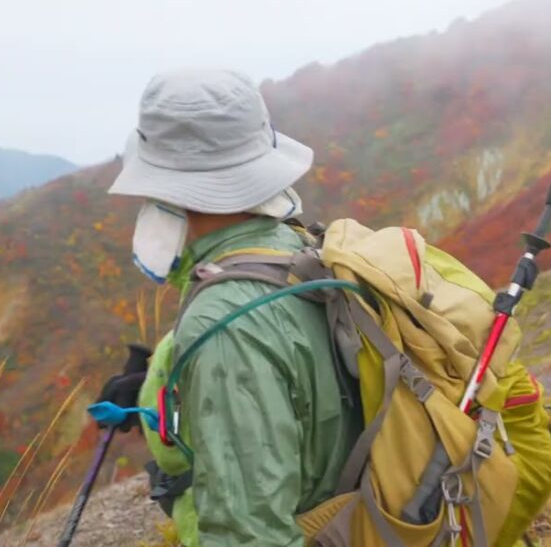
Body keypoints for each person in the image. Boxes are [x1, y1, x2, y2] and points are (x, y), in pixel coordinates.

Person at [100, 68, 360, 547]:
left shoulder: (223, 325)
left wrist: (211, 364)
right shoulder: (294, 248)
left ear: (163, 186)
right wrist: (158, 390)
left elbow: (250, 533)